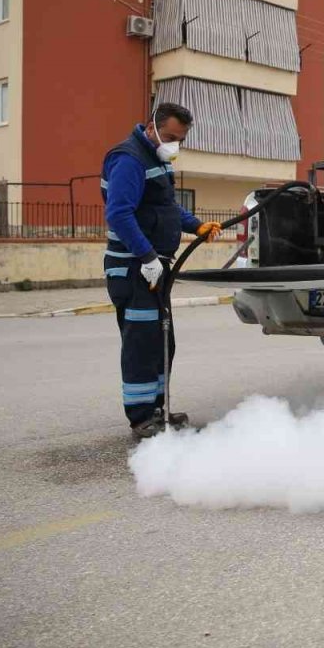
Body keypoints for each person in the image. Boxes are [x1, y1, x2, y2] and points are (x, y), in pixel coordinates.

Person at [101, 102, 221, 439]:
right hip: (133, 267)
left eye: (179, 139)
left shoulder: (157, 159)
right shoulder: (128, 158)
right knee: (141, 342)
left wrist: (196, 226)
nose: (174, 144)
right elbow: (120, 214)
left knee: (161, 340)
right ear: (151, 126)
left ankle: (158, 409)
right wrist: (147, 256)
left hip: (154, 268)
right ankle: (141, 417)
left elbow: (165, 206)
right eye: (169, 136)